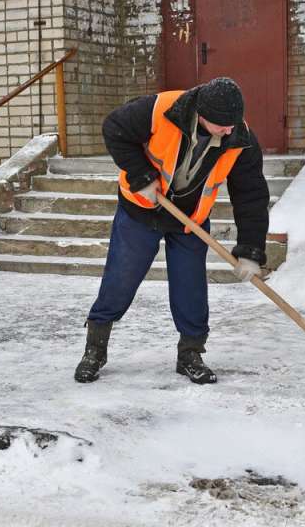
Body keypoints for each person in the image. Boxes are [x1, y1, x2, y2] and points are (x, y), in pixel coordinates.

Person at [74, 77, 270, 385]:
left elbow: (251, 195)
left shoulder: (240, 138)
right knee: (120, 279)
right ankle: (95, 349)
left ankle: (190, 353)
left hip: (190, 219)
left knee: (190, 287)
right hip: (140, 210)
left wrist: (250, 249)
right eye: (222, 125)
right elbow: (115, 128)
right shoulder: (160, 109)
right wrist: (141, 175)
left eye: (233, 123)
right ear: (202, 114)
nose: (229, 130)